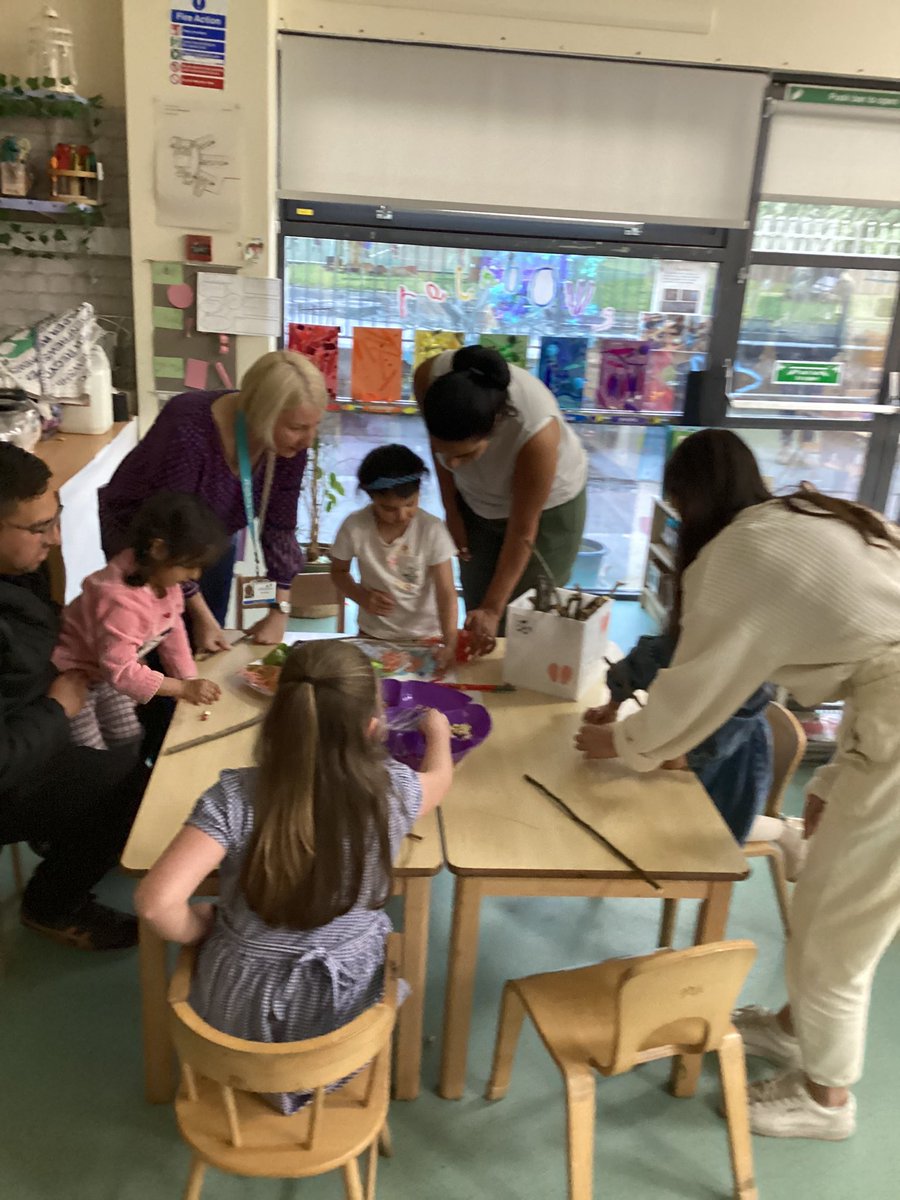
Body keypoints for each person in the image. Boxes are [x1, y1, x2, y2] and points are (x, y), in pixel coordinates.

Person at [575, 428, 900, 1141]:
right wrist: (839, 772)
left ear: (688, 503)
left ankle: (825, 1099)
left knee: (839, 932)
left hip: (892, 722)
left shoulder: (738, 556)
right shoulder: (798, 515)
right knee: (824, 901)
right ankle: (792, 1030)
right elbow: (874, 647)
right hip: (881, 714)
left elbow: (697, 689)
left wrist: (624, 742)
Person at [134, 639, 453, 1112]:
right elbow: (439, 782)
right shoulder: (394, 791)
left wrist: (201, 927)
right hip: (341, 1030)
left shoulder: (235, 797)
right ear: (371, 727)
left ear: (278, 720)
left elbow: (154, 904)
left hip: (234, 1028)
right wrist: (439, 734)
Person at [0, 443, 146, 950]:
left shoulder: (20, 570)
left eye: (55, 518)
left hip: (32, 718)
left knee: (150, 715)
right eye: (39, 529)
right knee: (129, 782)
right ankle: (51, 905)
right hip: (14, 759)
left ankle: (69, 836)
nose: (55, 537)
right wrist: (57, 708)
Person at [99, 349, 328, 654]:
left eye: (314, 426)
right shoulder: (188, 427)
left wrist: (279, 610)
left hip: (210, 534)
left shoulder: (288, 445)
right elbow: (171, 533)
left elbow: (280, 524)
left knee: (207, 643)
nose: (307, 440)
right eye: (298, 428)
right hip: (147, 539)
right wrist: (201, 617)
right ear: (261, 414)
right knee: (157, 642)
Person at [585, 635, 806, 876]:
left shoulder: (747, 676)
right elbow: (640, 663)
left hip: (732, 760)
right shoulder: (686, 635)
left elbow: (704, 747)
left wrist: (620, 744)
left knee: (720, 823)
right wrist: (612, 706)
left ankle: (785, 832)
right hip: (689, 741)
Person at [415, 345, 588, 654]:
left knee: (528, 621)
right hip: (476, 500)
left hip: (548, 509)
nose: (451, 464)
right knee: (478, 611)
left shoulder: (535, 432)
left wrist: (495, 610)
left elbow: (523, 530)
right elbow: (448, 459)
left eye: (465, 454)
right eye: (444, 452)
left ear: (495, 426)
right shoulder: (430, 380)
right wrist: (451, 510)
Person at [52, 493, 227, 751]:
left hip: (107, 672)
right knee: (90, 750)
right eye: (189, 565)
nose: (195, 575)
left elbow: (172, 628)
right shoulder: (119, 602)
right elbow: (122, 672)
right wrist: (181, 688)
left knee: (128, 736)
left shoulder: (163, 579)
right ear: (158, 549)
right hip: (73, 677)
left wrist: (188, 679)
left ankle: (126, 780)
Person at [330, 445, 458, 668]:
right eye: (388, 508)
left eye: (410, 504)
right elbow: (338, 572)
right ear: (371, 497)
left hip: (427, 640)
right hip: (373, 637)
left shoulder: (431, 530)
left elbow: (446, 592)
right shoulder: (355, 527)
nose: (401, 516)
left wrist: (450, 642)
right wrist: (361, 597)